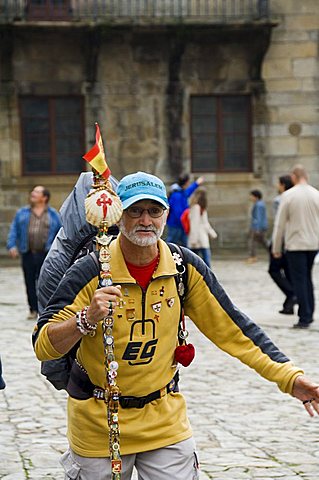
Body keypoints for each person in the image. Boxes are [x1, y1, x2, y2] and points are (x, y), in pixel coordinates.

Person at [33, 171, 319, 480]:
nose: (145, 220)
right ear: (119, 215)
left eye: (154, 211)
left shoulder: (183, 267)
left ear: (166, 215)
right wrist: (85, 319)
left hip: (165, 422)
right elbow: (44, 345)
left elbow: (235, 331)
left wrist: (289, 378)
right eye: (135, 211)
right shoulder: (89, 271)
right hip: (98, 424)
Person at [272, 165, 319, 329]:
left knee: (299, 280)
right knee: (307, 278)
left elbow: (280, 224)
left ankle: (304, 317)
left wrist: (276, 247)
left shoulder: (288, 195)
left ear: (294, 177)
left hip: (296, 244)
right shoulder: (316, 194)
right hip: (313, 244)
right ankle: (309, 312)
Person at [7, 185, 61, 319]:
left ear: (44, 198)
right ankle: (33, 309)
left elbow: (60, 233)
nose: (32, 194)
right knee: (30, 282)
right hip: (28, 253)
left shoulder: (54, 214)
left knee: (45, 282)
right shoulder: (22, 213)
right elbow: (14, 230)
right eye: (33, 192)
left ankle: (45, 309)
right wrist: (12, 245)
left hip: (46, 254)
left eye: (36, 192)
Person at [268, 175, 296, 315]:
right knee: (288, 271)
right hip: (294, 240)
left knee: (274, 270)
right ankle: (289, 304)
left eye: (279, 184)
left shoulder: (279, 200)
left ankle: (292, 294)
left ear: (283, 185)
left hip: (282, 239)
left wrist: (275, 245)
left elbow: (280, 224)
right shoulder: (296, 197)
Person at [166, 173, 204, 246]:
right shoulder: (177, 195)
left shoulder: (180, 192)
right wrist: (185, 223)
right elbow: (178, 213)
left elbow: (189, 191)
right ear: (186, 182)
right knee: (172, 244)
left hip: (180, 224)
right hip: (176, 225)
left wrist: (197, 183)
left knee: (182, 245)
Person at [188, 187, 217, 267]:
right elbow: (195, 224)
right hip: (198, 238)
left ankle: (208, 278)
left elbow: (205, 223)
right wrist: (194, 239)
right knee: (198, 263)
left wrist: (212, 234)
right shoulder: (197, 208)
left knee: (198, 262)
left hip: (200, 238)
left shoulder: (200, 208)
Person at [247, 189, 268, 263]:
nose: (250, 197)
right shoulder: (260, 204)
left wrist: (257, 229)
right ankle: (272, 251)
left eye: (251, 196)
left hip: (257, 227)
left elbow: (258, 217)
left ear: (256, 196)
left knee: (252, 242)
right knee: (262, 242)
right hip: (261, 227)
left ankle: (253, 257)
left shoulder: (258, 205)